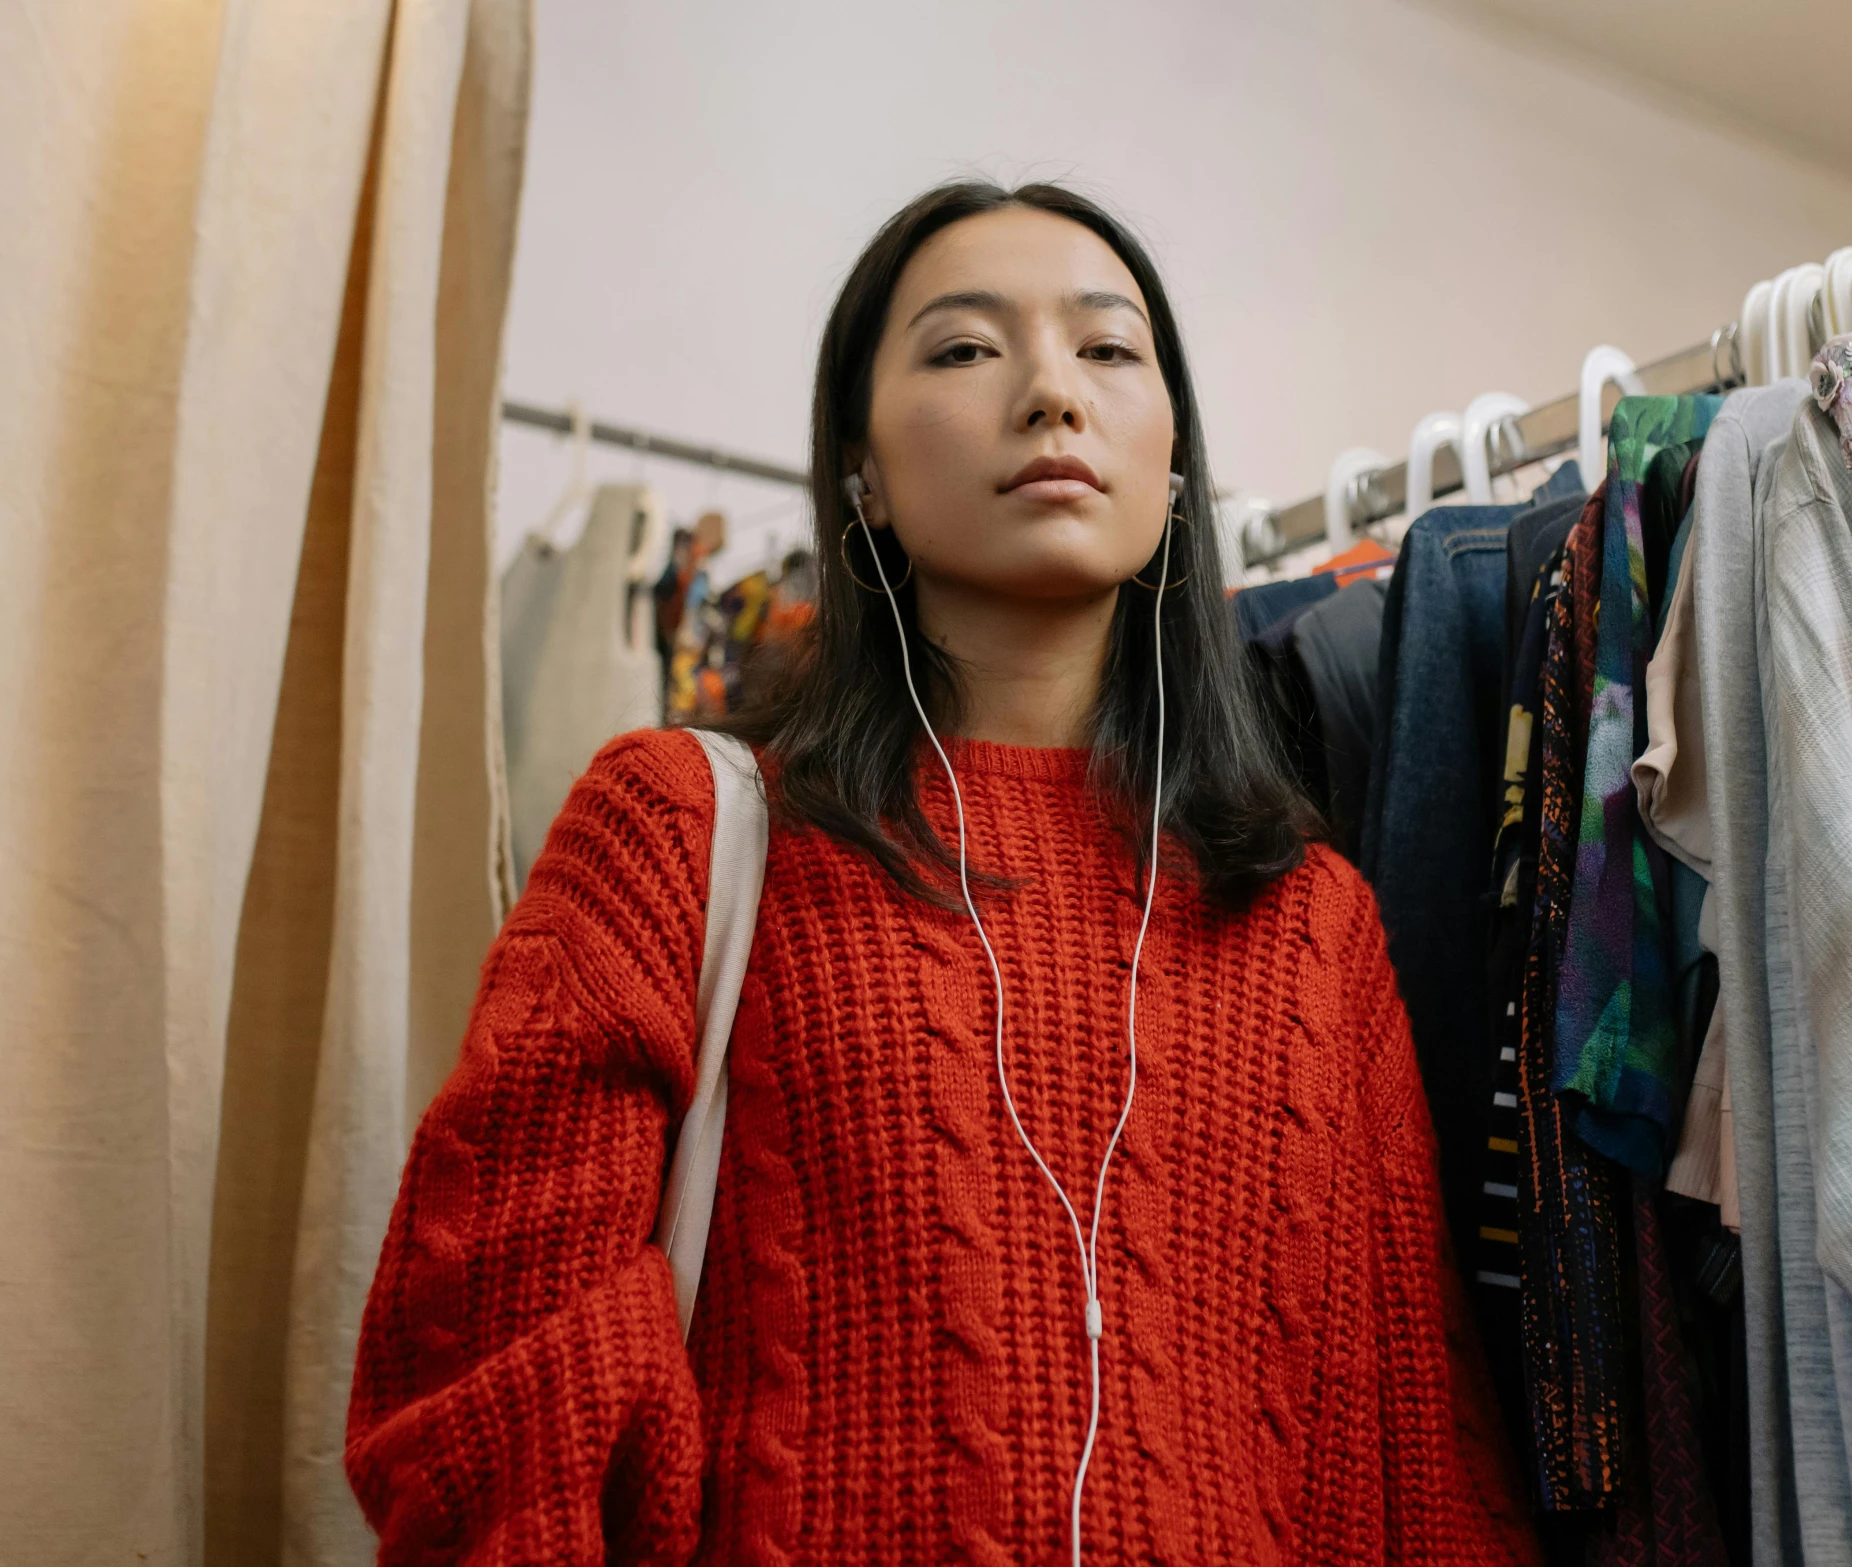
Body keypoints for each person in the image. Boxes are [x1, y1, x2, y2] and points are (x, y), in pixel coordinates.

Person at [346, 180, 1534, 1565]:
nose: (1049, 394)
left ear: (1169, 457)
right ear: (859, 470)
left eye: (1106, 349)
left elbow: (1407, 1469)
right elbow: (491, 1371)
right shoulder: (683, 827)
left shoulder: (1307, 919)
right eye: (966, 349)